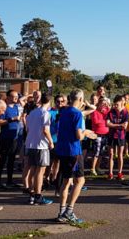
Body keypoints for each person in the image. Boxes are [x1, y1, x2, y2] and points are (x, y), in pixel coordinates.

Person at [56, 89, 87, 224]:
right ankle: (69, 210)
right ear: (80, 100)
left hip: (62, 150)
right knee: (80, 181)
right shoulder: (77, 114)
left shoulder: (63, 112)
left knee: (66, 181)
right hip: (73, 151)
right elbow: (79, 135)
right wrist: (87, 133)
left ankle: (62, 212)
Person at [24, 94, 54, 206]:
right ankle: (38, 195)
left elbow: (27, 127)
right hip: (41, 145)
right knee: (40, 172)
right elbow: (46, 130)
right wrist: (51, 141)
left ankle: (32, 195)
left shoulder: (32, 113)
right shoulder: (45, 113)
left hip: (30, 144)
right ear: (49, 102)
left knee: (32, 170)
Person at [0, 90, 27, 189]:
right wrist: (12, 119)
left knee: (12, 160)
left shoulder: (17, 108)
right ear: (8, 97)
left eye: (17, 97)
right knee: (3, 160)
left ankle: (9, 181)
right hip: (5, 137)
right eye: (14, 97)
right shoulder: (4, 108)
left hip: (15, 137)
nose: (16, 98)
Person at [107, 95, 129, 180]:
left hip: (121, 136)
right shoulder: (111, 112)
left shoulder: (125, 112)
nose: (115, 106)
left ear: (122, 103)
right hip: (111, 135)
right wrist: (119, 125)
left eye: (117, 105)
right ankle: (110, 173)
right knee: (111, 154)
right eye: (114, 104)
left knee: (120, 155)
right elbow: (107, 124)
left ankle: (119, 172)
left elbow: (125, 126)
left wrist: (113, 125)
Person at [89, 96, 110, 177]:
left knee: (101, 152)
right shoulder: (95, 112)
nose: (103, 105)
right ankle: (92, 168)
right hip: (97, 134)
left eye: (104, 104)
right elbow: (96, 122)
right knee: (96, 152)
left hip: (104, 134)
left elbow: (110, 114)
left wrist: (107, 106)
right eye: (102, 104)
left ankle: (97, 167)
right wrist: (105, 121)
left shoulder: (106, 112)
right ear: (98, 104)